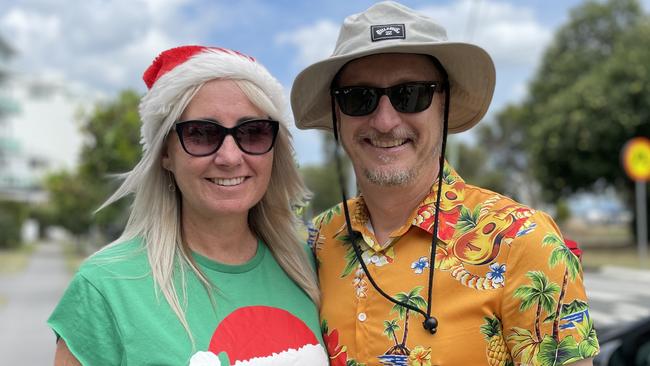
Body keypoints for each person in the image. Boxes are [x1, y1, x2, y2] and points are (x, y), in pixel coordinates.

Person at [291, 2, 599, 365]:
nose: (386, 121)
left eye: (411, 94)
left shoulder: (522, 240)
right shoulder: (316, 242)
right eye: (360, 98)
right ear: (337, 115)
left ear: (444, 104)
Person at [48, 45, 328, 365]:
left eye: (252, 132)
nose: (229, 157)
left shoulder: (310, 267)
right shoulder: (105, 287)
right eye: (201, 134)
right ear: (166, 153)